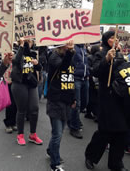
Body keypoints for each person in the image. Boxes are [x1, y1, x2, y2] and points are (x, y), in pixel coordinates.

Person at [85, 30, 129, 171]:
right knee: (105, 132)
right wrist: (107, 60)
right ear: (105, 39)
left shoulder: (121, 54)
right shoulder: (101, 53)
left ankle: (116, 163)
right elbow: (96, 71)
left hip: (121, 99)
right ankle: (91, 156)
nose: (114, 40)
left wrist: (120, 57)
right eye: (111, 37)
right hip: (107, 98)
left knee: (122, 132)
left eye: (116, 38)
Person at [46, 41, 76, 171]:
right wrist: (69, 53)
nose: (69, 45)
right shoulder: (53, 56)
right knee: (57, 134)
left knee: (60, 132)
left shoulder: (70, 56)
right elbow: (63, 68)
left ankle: (50, 150)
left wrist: (73, 98)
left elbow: (71, 78)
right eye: (66, 43)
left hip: (66, 101)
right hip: (56, 101)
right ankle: (55, 163)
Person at [11, 38, 43, 146]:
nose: (28, 44)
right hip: (19, 84)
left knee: (34, 109)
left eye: (29, 42)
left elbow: (39, 68)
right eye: (26, 42)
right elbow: (15, 61)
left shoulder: (33, 53)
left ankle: (32, 134)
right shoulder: (15, 51)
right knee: (21, 110)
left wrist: (37, 63)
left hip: (31, 84)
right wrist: (21, 46)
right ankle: (20, 135)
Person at [69, 44, 89, 139]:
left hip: (85, 78)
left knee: (85, 102)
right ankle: (74, 127)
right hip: (76, 78)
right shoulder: (74, 47)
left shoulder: (83, 49)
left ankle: (73, 118)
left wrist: (88, 73)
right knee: (77, 103)